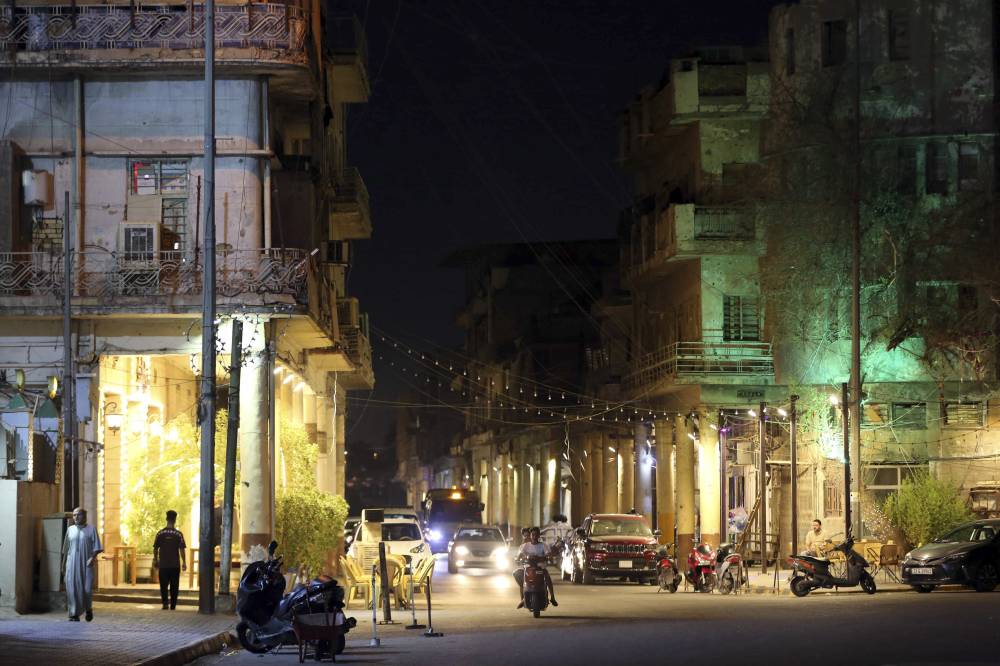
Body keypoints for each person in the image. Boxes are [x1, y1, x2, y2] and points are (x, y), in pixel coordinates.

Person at [62, 507, 103, 622]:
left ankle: (88, 608)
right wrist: (63, 565)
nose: (76, 517)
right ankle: (73, 614)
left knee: (87, 589)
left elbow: (98, 547)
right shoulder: (70, 530)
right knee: (72, 588)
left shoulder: (91, 529)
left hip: (86, 563)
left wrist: (92, 558)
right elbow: (66, 550)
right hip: (72, 563)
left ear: (85, 516)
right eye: (74, 515)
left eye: (78, 515)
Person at [513, 526, 557, 609]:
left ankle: (552, 597)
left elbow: (548, 554)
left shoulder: (543, 545)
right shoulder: (525, 546)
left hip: (540, 568)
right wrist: (519, 558)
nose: (534, 536)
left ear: (539, 536)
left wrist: (547, 557)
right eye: (533, 535)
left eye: (536, 535)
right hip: (528, 568)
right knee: (518, 575)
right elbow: (520, 555)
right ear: (530, 535)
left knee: (547, 577)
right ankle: (523, 599)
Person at [153, 510, 187, 610]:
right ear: (175, 520)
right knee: (174, 586)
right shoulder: (178, 534)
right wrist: (184, 562)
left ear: (166, 519)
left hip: (163, 564)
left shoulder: (160, 533)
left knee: (163, 585)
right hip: (175, 565)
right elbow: (181, 550)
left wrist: (155, 560)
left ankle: (165, 604)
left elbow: (155, 548)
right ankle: (173, 605)